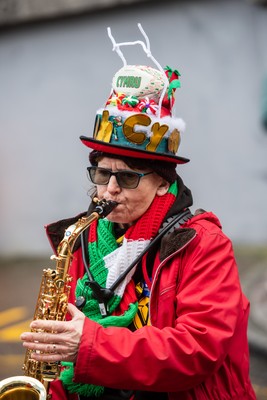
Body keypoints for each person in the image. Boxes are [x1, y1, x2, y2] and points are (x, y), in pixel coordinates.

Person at [20, 27, 256, 400]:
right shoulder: (83, 238)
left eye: (127, 177)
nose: (109, 189)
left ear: (163, 184)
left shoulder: (205, 244)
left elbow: (195, 351)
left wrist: (89, 345)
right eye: (102, 173)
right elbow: (66, 345)